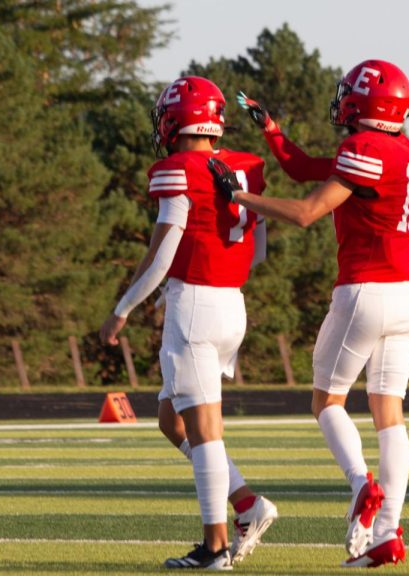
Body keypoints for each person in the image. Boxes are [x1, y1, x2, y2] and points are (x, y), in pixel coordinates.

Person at [208, 60, 409, 568]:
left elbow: (306, 212)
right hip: (405, 296)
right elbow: (308, 168)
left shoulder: (363, 148)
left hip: (364, 291)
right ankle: (386, 533)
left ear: (361, 103)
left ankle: (358, 484)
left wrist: (238, 195)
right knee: (389, 414)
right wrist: (273, 131)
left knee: (327, 401)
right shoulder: (403, 151)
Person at [98, 76, 278, 570]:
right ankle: (247, 503)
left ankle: (216, 546)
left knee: (204, 429)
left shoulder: (179, 168)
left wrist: (123, 309)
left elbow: (161, 256)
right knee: (171, 420)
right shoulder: (245, 167)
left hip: (195, 305)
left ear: (176, 119)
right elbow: (257, 251)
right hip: (230, 304)